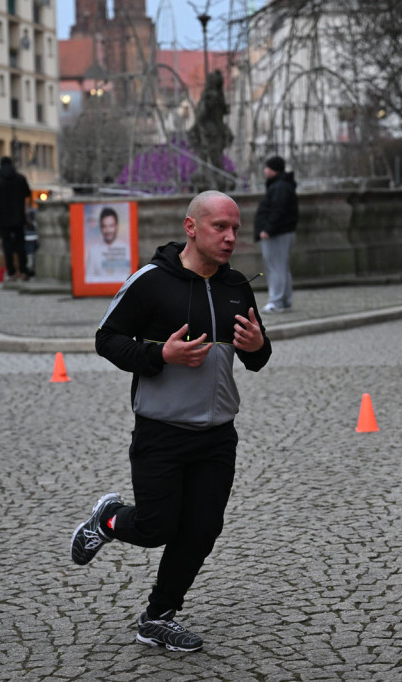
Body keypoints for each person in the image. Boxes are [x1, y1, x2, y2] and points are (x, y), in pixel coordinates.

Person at [71, 190, 272, 653]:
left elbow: (257, 360)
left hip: (218, 434)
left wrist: (258, 344)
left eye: (236, 228)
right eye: (220, 227)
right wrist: (160, 353)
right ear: (191, 227)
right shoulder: (151, 282)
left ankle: (158, 617)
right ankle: (107, 522)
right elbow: (106, 340)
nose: (230, 237)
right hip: (161, 431)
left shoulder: (237, 286)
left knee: (202, 529)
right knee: (159, 525)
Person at [254, 155, 298, 312]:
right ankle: (284, 300)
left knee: (276, 268)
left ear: (273, 169)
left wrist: (267, 229)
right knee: (281, 267)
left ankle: (277, 301)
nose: (265, 170)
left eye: (267, 167)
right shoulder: (283, 185)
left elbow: (278, 210)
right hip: (282, 231)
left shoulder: (279, 186)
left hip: (277, 233)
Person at [0, 156, 31, 281]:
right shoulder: (20, 178)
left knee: (7, 246)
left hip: (3, 218)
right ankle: (23, 270)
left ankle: (11, 271)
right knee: (21, 244)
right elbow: (27, 193)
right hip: (19, 217)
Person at [85, 206, 132, 283]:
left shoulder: (127, 250)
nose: (108, 230)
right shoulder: (93, 251)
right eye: (104, 226)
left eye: (111, 226)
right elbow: (89, 278)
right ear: (101, 227)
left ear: (116, 226)